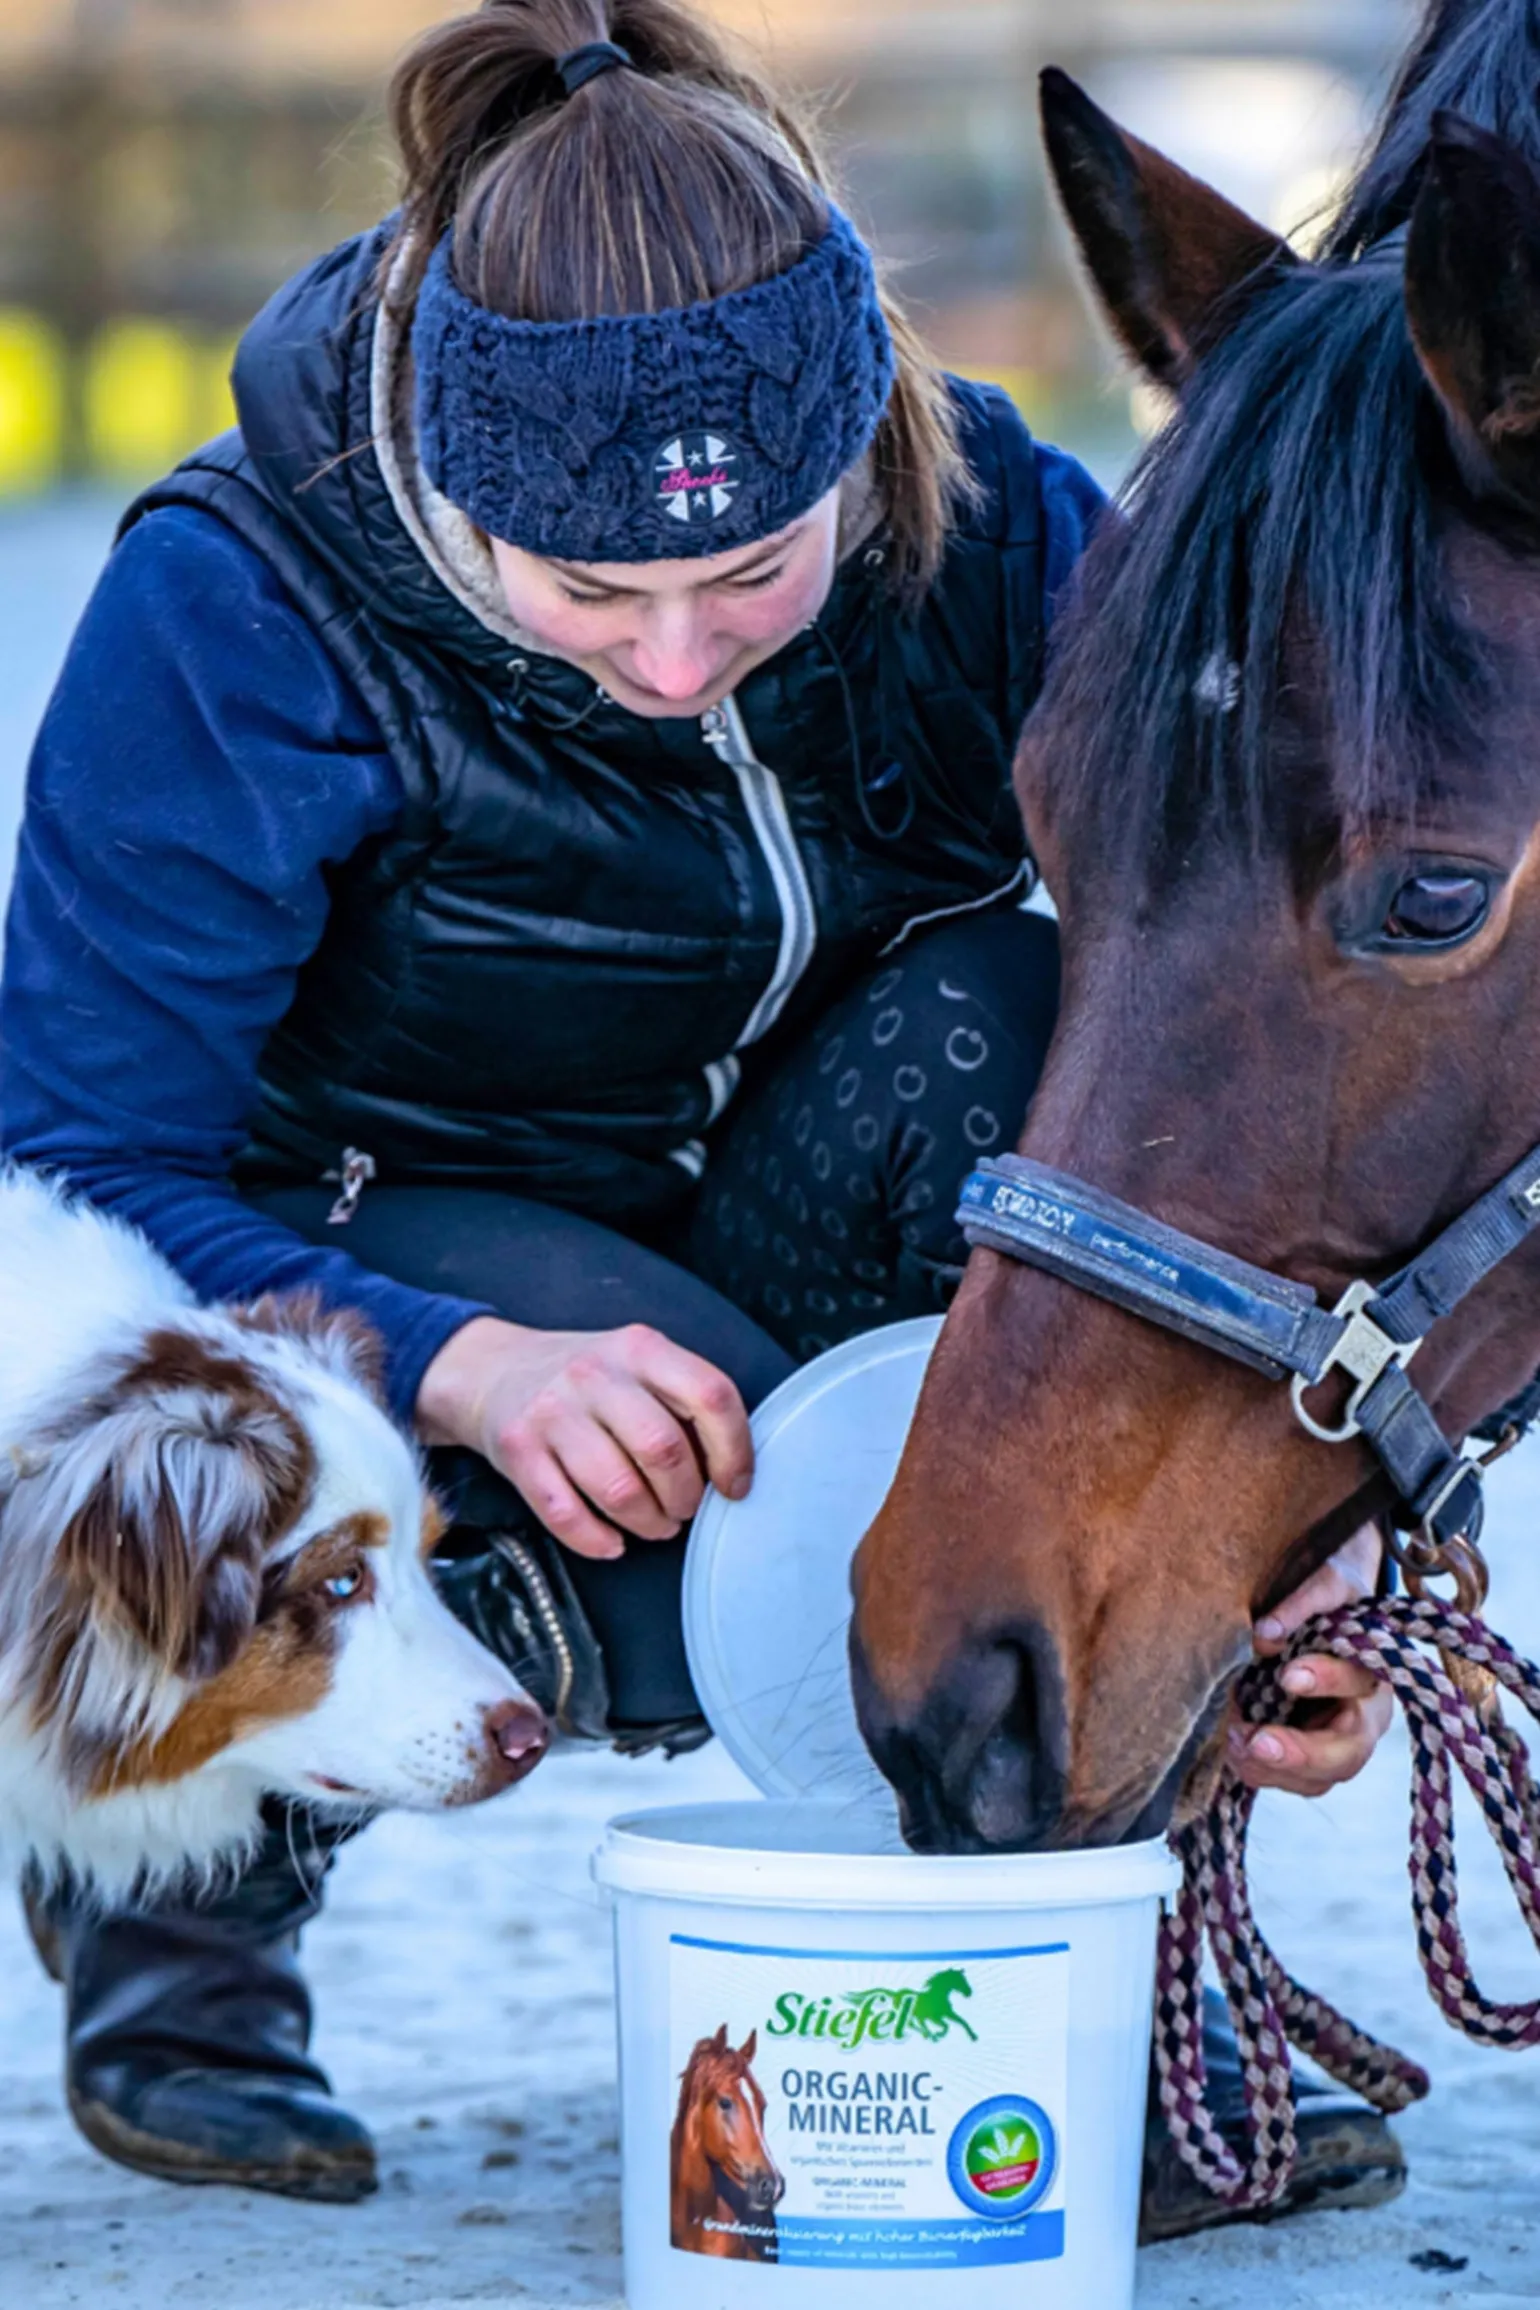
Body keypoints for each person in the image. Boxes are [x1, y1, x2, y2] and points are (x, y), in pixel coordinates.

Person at [0, 0, 1397, 2238]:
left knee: (1009, 1019)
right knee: (565, 1503)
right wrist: (464, 1365)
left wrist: (1302, 1518)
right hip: (367, 1239)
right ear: (459, 487)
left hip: (778, 1179)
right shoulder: (236, 602)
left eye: (753, 573)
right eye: (588, 592)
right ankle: (190, 1877)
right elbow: (79, 1169)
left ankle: (1069, 1966)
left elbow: (1274, 1004)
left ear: (858, 455)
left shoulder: (998, 527)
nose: (675, 659)